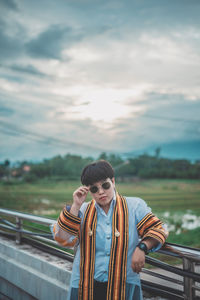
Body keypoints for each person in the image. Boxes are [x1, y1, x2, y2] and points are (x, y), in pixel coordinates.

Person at [52, 160, 168, 300]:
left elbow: (158, 228)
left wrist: (142, 247)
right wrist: (76, 205)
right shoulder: (81, 211)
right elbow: (63, 239)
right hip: (86, 285)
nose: (101, 192)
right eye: (94, 189)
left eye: (105, 185)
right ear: (88, 190)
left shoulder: (134, 206)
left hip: (123, 284)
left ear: (113, 181)